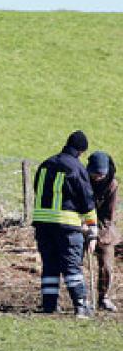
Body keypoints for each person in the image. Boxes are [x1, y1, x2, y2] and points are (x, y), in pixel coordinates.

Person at [32, 131, 98, 318]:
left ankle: (49, 305)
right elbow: (86, 197)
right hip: (66, 225)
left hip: (42, 224)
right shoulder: (76, 167)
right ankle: (80, 306)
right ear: (81, 151)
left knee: (50, 265)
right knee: (71, 266)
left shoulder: (46, 164)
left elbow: (38, 189)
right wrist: (92, 225)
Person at [87, 151, 119, 312]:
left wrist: (95, 234)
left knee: (106, 265)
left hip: (104, 229)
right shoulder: (82, 180)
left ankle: (103, 297)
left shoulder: (112, 185)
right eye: (95, 173)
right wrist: (85, 229)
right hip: (81, 225)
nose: (98, 177)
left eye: (101, 174)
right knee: (74, 263)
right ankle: (79, 297)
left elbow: (108, 216)